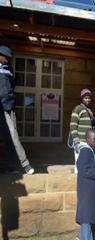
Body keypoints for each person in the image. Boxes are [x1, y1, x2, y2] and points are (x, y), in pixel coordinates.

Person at [0, 45, 34, 174]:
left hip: (7, 108)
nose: (7, 60)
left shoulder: (9, 69)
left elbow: (11, 88)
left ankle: (24, 164)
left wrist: (10, 103)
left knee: (12, 136)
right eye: (6, 57)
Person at [70, 88, 95, 172]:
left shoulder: (90, 111)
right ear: (82, 98)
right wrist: (76, 142)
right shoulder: (77, 108)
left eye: (89, 98)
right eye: (85, 98)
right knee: (79, 165)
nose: (87, 99)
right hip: (80, 142)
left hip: (88, 143)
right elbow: (73, 125)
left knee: (86, 165)